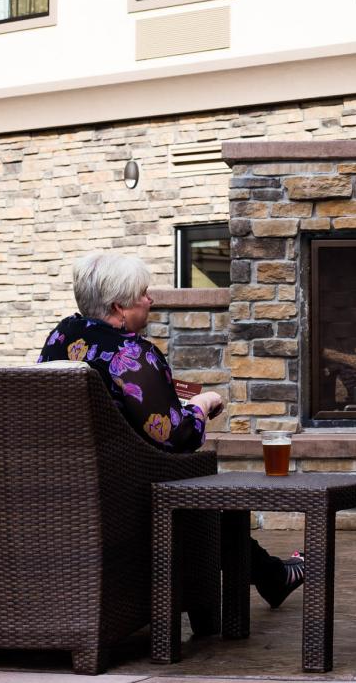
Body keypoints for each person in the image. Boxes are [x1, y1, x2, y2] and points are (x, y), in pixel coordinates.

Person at [38, 252, 304, 608]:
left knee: (189, 496)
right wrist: (202, 404)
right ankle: (266, 579)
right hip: (124, 495)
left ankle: (272, 574)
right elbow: (178, 437)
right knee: (196, 487)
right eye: (143, 293)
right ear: (118, 306)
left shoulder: (61, 336)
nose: (151, 299)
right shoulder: (133, 353)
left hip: (64, 485)